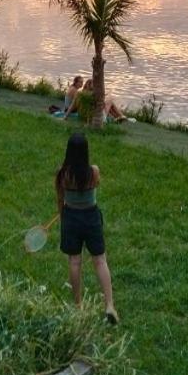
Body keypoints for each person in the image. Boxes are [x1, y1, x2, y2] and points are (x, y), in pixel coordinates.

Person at [55, 131, 118, 324]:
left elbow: (60, 199)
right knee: (100, 260)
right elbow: (96, 184)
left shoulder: (62, 174)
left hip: (71, 217)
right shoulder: (94, 172)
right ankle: (109, 305)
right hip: (91, 217)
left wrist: (62, 214)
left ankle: (78, 305)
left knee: (75, 261)